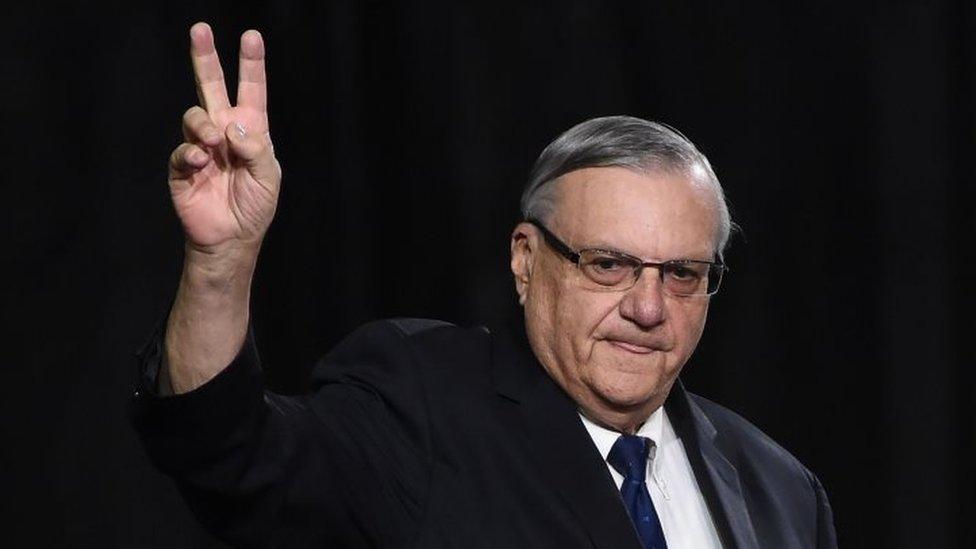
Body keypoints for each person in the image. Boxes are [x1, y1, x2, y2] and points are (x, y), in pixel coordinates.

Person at [131, 22, 838, 549]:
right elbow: (227, 452)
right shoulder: (421, 405)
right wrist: (220, 265)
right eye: (608, 264)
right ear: (527, 260)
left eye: (681, 273)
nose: (647, 307)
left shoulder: (780, 490)